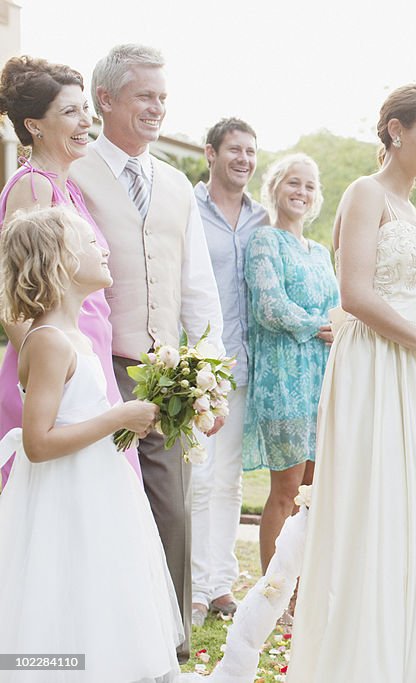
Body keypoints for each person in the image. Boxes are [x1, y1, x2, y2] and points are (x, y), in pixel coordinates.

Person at [287, 85, 416, 682]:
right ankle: (363, 658)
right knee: (374, 500)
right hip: (376, 367)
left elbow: (411, 294)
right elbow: (357, 296)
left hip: (415, 371)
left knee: (414, 503)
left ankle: (413, 652)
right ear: (395, 131)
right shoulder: (364, 193)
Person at [69, 43, 225, 663]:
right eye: (145, 96)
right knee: (98, 510)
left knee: (173, 511)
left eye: (163, 96)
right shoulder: (72, 174)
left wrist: (208, 375)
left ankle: (171, 646)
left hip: (167, 378)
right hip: (97, 372)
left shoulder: (177, 182)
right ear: (105, 99)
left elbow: (197, 287)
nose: (158, 107)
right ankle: (102, 639)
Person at [0, 207, 181, 682]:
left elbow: (81, 418)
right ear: (60, 261)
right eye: (87, 240)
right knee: (60, 594)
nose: (102, 247)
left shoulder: (76, 338)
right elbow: (38, 443)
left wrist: (131, 419)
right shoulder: (49, 342)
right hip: (62, 496)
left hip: (97, 491)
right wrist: (117, 416)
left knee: (99, 594)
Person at [0, 55, 139, 488]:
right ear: (34, 124)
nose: (86, 121)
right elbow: (14, 297)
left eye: (85, 109)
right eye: (70, 111)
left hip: (90, 361)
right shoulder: (33, 186)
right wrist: (57, 376)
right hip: (61, 376)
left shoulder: (70, 188)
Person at [242, 153, 337, 586]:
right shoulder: (264, 241)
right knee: (286, 489)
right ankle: (274, 592)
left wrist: (341, 327)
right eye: (293, 183)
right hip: (283, 379)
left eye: (309, 186)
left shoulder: (320, 252)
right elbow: (268, 306)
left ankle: (305, 589)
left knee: (315, 492)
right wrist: (319, 325)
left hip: (323, 378)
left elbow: (340, 306)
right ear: (275, 188)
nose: (301, 192)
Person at [191, 117, 268, 627]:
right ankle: (193, 588)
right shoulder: (187, 209)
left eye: (251, 152)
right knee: (198, 477)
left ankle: (221, 585)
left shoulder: (263, 218)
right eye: (234, 149)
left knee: (229, 481)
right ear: (211, 153)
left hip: (244, 365)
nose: (243, 159)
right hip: (198, 363)